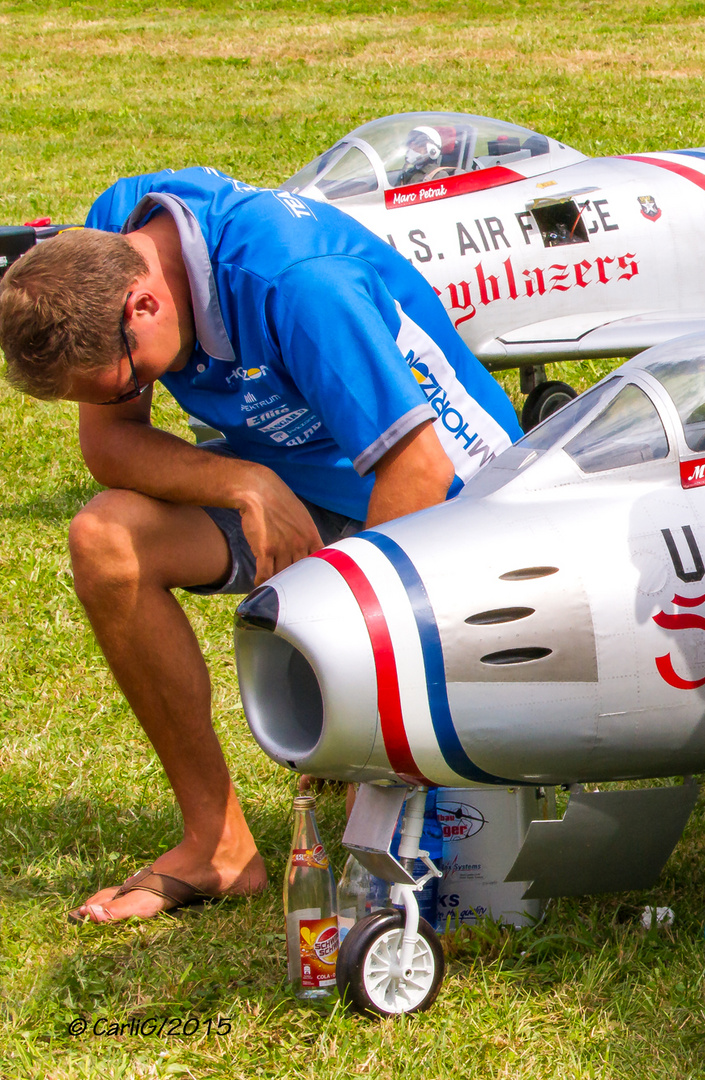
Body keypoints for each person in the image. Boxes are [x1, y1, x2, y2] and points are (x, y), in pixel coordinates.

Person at [0, 167, 522, 923]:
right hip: (303, 488)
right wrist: (246, 481)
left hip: (456, 500)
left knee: (386, 736)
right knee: (107, 540)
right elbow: (112, 448)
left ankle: (395, 763)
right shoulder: (114, 237)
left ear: (143, 304)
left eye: (125, 382)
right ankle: (217, 845)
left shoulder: (299, 284)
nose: (121, 399)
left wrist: (344, 671)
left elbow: (419, 467)